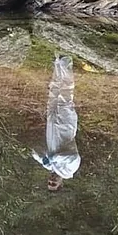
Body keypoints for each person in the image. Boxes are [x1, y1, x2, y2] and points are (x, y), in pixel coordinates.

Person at [32, 54, 80, 192]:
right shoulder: (70, 169)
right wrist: (53, 159)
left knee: (54, 91)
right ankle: (66, 62)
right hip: (66, 126)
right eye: (54, 184)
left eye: (49, 182)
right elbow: (73, 157)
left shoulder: (51, 166)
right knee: (65, 94)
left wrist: (42, 160)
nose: (51, 180)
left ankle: (58, 63)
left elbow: (35, 151)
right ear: (61, 184)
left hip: (52, 124)